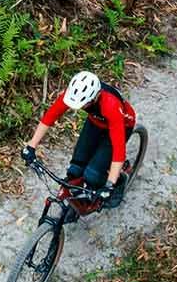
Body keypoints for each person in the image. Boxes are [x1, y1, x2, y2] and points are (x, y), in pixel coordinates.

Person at [21, 70, 137, 208]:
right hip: (96, 122)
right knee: (75, 169)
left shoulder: (110, 105)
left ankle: (120, 181)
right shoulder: (74, 93)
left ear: (95, 97)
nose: (80, 107)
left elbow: (118, 150)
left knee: (93, 174)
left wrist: (110, 185)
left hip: (122, 125)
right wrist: (31, 145)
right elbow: (50, 117)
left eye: (84, 105)